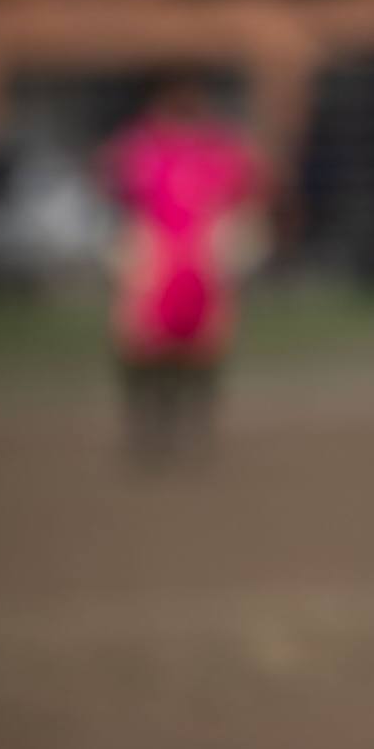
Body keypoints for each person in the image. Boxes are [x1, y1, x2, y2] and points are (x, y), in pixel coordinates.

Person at [98, 72, 266, 465]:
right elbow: (114, 192)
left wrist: (240, 238)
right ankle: (149, 426)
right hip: (156, 262)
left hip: (201, 264)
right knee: (141, 348)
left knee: (204, 350)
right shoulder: (139, 147)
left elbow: (248, 195)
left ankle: (195, 427)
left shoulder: (220, 148)